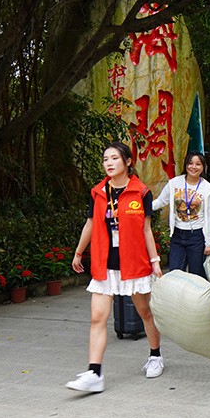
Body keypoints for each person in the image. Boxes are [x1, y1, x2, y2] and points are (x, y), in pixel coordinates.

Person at [66, 141, 164, 393]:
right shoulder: (98, 192)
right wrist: (78, 252)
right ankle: (94, 373)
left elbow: (146, 230)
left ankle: (155, 355)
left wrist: (155, 262)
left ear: (128, 162)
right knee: (97, 317)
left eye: (114, 158)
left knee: (145, 312)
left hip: (134, 264)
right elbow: (90, 224)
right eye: (105, 159)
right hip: (105, 264)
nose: (108, 163)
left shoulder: (141, 192)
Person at [152, 152, 210, 279]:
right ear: (186, 165)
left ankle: (197, 293)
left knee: (197, 275)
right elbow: (161, 201)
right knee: (175, 274)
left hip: (197, 236)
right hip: (177, 235)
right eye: (190, 163)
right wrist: (143, 207)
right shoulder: (174, 183)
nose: (193, 167)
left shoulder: (208, 189)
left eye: (198, 164)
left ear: (203, 167)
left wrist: (209, 243)